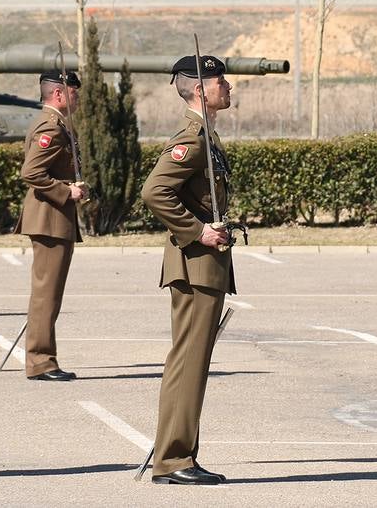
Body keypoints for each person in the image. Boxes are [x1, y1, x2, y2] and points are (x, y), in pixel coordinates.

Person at [140, 54, 237, 486]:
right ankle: (175, 460)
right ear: (200, 89)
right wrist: (198, 232)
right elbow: (155, 191)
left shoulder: (206, 135)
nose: (229, 86)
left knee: (190, 362)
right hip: (196, 263)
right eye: (220, 81)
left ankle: (178, 455)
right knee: (188, 362)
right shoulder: (193, 137)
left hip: (202, 264)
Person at [16, 69, 88, 381]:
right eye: (73, 91)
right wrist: (65, 191)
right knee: (46, 294)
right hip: (49, 217)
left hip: (54, 217)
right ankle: (41, 361)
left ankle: (43, 358)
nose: (77, 96)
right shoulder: (51, 125)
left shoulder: (57, 124)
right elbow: (31, 172)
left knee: (50, 293)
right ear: (58, 94)